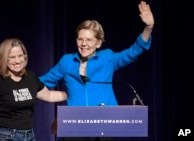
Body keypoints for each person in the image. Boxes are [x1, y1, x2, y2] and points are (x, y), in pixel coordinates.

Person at [39, 1, 154, 141]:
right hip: (74, 126)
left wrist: (148, 27)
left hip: (103, 124)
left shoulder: (107, 58)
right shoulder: (66, 61)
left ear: (98, 43)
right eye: (80, 39)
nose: (84, 44)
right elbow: (40, 83)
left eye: (89, 39)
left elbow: (133, 52)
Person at [0, 38, 67, 141]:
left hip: (29, 135)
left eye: (20, 56)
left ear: (25, 56)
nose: (17, 61)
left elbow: (48, 95)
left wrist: (74, 94)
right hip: (5, 136)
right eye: (12, 57)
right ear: (4, 59)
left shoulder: (30, 77)